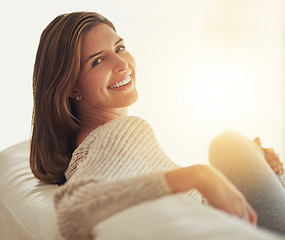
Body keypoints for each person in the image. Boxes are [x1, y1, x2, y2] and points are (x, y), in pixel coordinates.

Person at [29, 11, 285, 240]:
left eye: (119, 48)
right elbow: (73, 210)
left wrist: (257, 173)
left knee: (235, 152)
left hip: (236, 220)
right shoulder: (120, 133)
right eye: (97, 61)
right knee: (227, 145)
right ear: (71, 87)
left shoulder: (86, 147)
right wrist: (197, 175)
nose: (122, 65)